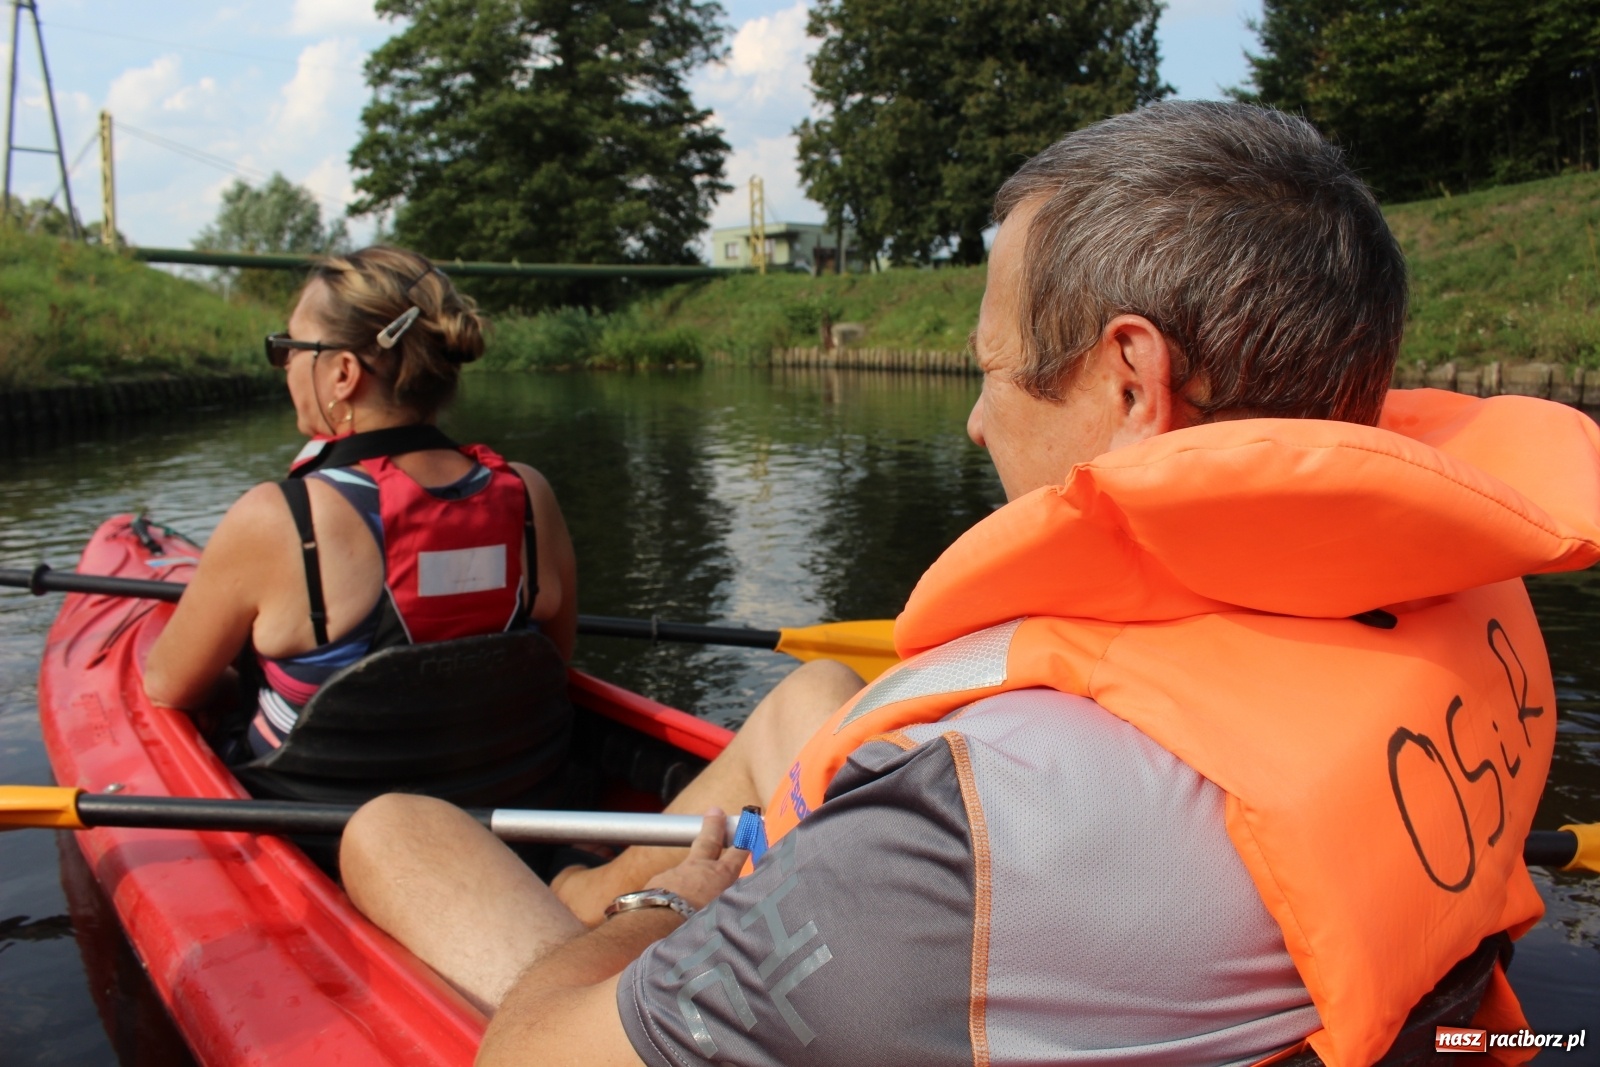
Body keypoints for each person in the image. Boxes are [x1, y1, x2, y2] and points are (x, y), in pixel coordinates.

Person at [339, 102, 1600, 1067]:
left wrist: (675, 897)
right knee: (812, 698)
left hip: (919, 927)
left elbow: (534, 1056)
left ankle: (594, 891)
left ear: (1129, 382)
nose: (975, 426)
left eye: (990, 371)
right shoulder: (1470, 609)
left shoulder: (977, 826)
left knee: (390, 829)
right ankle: (592, 886)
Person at [144, 246, 578, 762]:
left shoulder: (278, 518)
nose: (284, 365)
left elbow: (168, 688)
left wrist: (246, 680)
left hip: (318, 818)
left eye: (288, 348)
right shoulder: (530, 497)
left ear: (343, 373)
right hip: (497, 786)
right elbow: (556, 661)